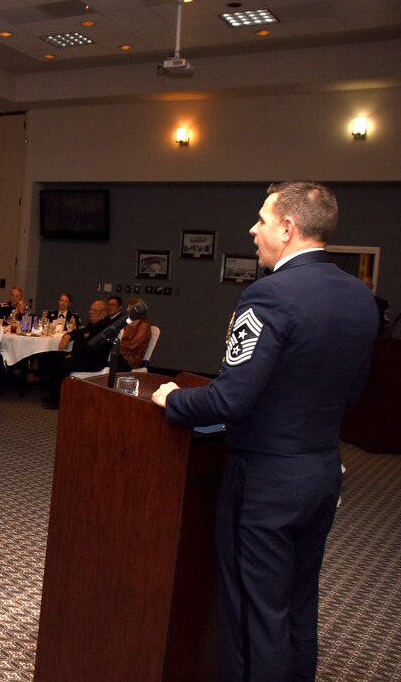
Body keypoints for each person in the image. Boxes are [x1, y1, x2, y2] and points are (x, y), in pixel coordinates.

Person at [151, 182, 378, 682]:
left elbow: (231, 398)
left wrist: (172, 399)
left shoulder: (270, 294)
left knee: (256, 618)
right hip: (321, 473)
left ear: (288, 228)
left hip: (265, 483)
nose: (253, 230)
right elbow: (354, 395)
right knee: (298, 605)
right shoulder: (360, 298)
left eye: (260, 220)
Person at [35, 299, 117, 410]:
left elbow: (92, 347)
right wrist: (68, 335)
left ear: (103, 313)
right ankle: (53, 394)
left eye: (94, 310)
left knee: (62, 363)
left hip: (93, 362)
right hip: (83, 357)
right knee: (53, 357)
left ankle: (58, 400)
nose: (90, 312)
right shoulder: (94, 324)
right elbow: (81, 332)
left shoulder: (105, 327)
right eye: (90, 309)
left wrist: (73, 355)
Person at [118, 295, 152, 368]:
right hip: (121, 354)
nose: (127, 309)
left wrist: (116, 344)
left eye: (130, 307)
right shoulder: (128, 322)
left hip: (131, 360)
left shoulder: (143, 325)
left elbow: (133, 346)